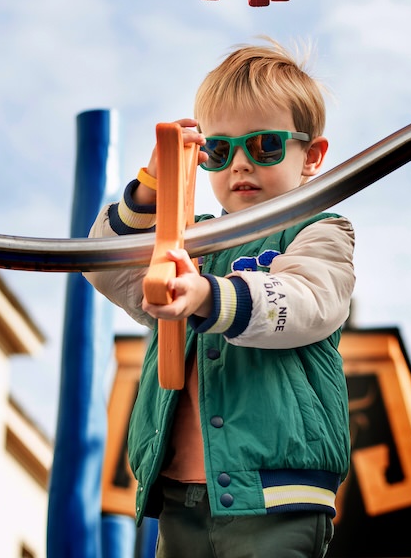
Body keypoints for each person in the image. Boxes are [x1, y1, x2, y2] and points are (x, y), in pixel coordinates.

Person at [84, 40, 355, 558]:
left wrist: (209, 296)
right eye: (221, 150)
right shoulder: (188, 239)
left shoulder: (318, 232)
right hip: (181, 496)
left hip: (275, 496)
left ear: (311, 156)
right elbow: (105, 266)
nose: (241, 166)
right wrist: (149, 188)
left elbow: (306, 301)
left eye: (266, 147)